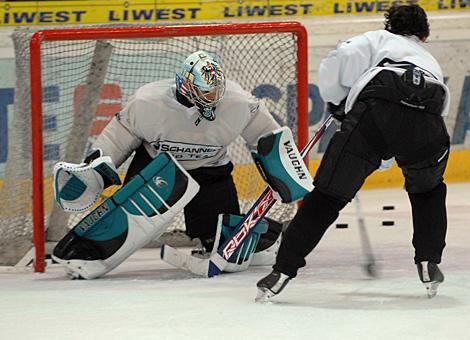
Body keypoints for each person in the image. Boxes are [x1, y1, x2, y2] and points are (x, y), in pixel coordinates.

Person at [256, 4, 450, 300]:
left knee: (327, 197)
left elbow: (342, 58)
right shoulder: (429, 60)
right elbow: (422, 121)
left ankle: (282, 270)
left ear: (390, 27)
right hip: (431, 109)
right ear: (424, 36)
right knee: (428, 192)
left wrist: (337, 100)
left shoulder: (377, 39)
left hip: (376, 106)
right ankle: (428, 260)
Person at [51, 50, 302, 279]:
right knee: (128, 219)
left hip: (210, 170)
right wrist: (96, 170)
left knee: (220, 238)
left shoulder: (239, 103)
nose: (213, 98)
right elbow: (117, 140)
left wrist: (284, 171)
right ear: (186, 85)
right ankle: (87, 252)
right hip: (156, 168)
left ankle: (267, 240)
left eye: (216, 91)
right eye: (206, 92)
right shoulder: (147, 102)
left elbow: (270, 139)